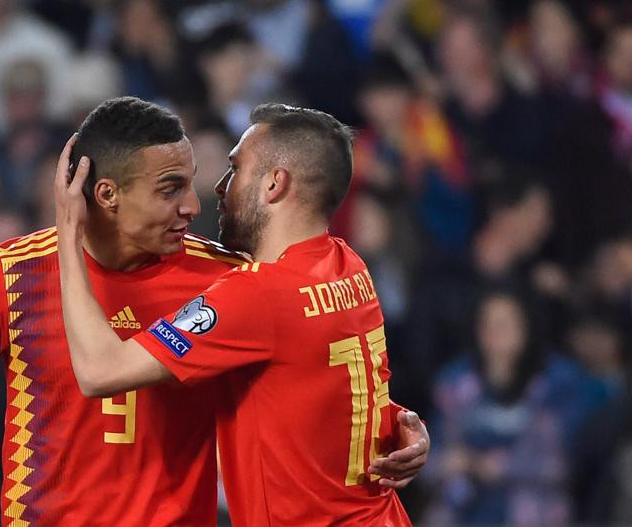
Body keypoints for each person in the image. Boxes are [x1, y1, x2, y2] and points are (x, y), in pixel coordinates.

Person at [0, 97, 428, 526]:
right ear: (107, 194)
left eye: (191, 183)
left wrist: (393, 423)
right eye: (169, 189)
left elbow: (313, 367)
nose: (194, 204)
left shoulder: (227, 280)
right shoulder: (10, 277)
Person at [54, 103, 424, 525]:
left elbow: (99, 371)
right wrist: (396, 420)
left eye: (235, 169)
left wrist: (69, 231)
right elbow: (332, 385)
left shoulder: (256, 296)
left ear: (273, 184)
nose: (220, 187)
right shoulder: (348, 267)